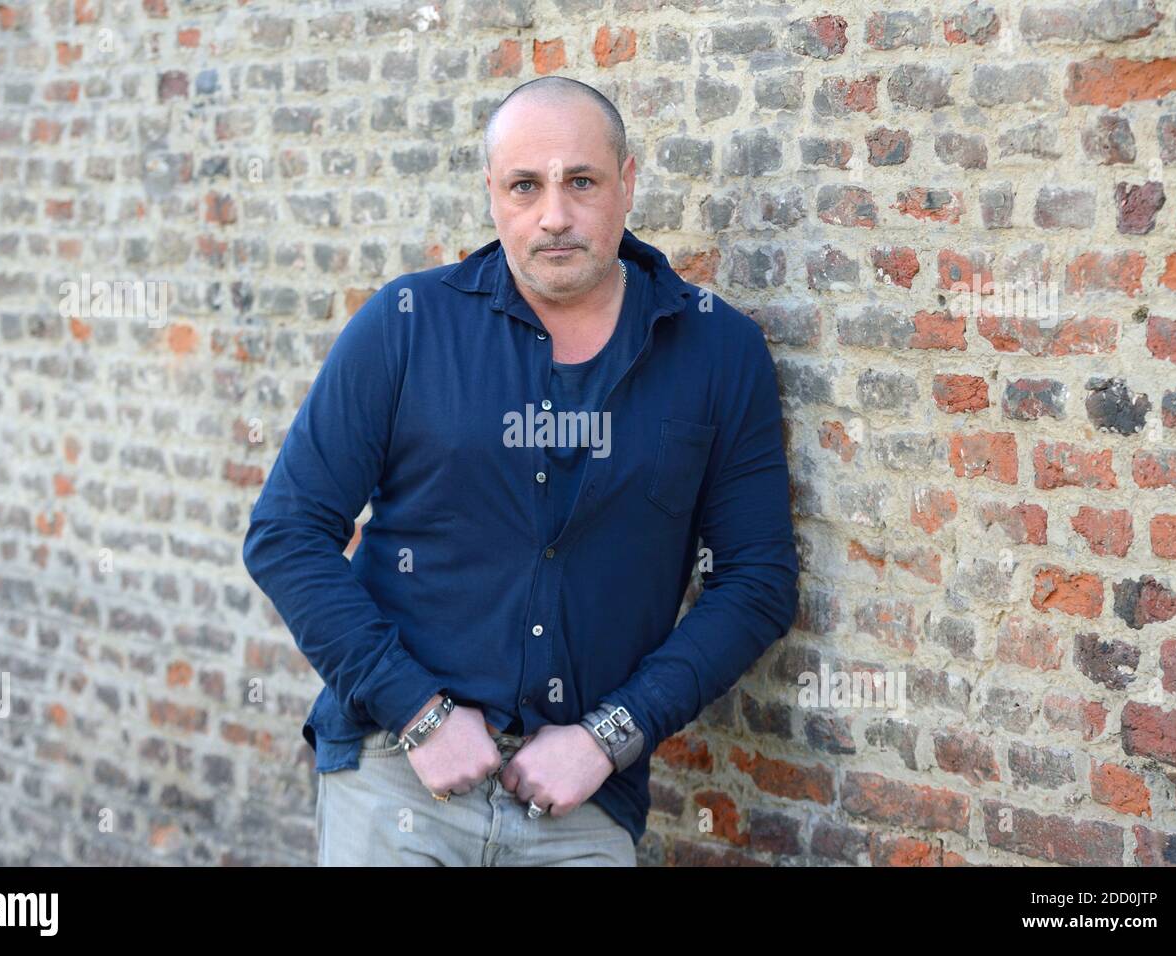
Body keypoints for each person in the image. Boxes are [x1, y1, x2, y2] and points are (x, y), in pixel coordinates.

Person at [242, 75, 800, 866]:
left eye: (582, 181)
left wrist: (611, 737)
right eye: (525, 186)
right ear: (493, 195)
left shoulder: (718, 351)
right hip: (400, 779)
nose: (555, 216)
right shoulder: (407, 327)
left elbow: (757, 580)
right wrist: (419, 712)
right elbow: (285, 533)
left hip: (582, 802)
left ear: (627, 183)